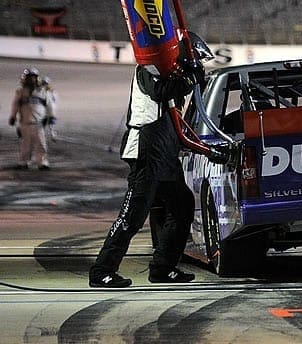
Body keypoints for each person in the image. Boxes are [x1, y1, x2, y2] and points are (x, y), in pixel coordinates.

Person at [89, 32, 229, 288]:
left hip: (164, 152)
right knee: (134, 214)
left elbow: (179, 127)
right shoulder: (150, 67)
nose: (196, 65)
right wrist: (189, 79)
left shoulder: (173, 76)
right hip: (146, 148)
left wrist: (208, 151)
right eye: (195, 59)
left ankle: (163, 268)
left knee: (182, 205)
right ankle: (102, 270)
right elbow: (161, 92)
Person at [9, 67, 56, 170]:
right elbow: (15, 104)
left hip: (38, 123)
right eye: (29, 77)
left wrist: (51, 116)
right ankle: (23, 162)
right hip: (24, 123)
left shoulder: (43, 91)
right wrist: (13, 116)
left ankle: (42, 163)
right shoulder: (20, 92)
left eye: (33, 77)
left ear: (37, 78)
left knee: (41, 144)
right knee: (25, 144)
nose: (31, 79)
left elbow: (50, 105)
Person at [40, 76, 58, 142]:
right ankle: (52, 135)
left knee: (43, 122)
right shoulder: (53, 91)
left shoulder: (42, 91)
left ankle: (44, 135)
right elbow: (56, 100)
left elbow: (43, 100)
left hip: (46, 108)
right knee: (50, 122)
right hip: (52, 107)